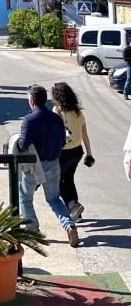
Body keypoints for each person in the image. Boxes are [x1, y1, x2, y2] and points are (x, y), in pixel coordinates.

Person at [17, 84, 80, 246]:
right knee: (54, 199)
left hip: (34, 166)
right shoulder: (56, 118)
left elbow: (23, 145)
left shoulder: (29, 119)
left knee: (25, 198)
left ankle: (34, 232)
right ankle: (69, 225)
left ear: (32, 101)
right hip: (53, 164)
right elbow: (62, 142)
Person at [51, 81, 94, 223]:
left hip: (63, 152)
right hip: (77, 152)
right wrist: (89, 153)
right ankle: (76, 212)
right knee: (69, 180)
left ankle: (74, 207)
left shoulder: (57, 111)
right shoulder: (78, 113)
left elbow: (54, 134)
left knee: (60, 182)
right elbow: (85, 135)